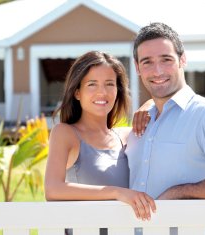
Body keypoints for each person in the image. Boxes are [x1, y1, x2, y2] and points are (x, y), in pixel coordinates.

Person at [126, 22, 205, 200]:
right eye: (147, 62)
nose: (157, 71)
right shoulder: (141, 123)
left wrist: (178, 192)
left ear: (183, 59)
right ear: (137, 67)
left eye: (166, 60)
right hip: (132, 229)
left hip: (185, 228)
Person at [44, 51, 156, 230]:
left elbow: (167, 106)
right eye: (92, 84)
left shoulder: (127, 136)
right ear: (77, 92)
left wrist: (148, 105)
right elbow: (52, 189)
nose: (102, 92)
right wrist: (117, 193)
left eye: (109, 84)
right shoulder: (65, 133)